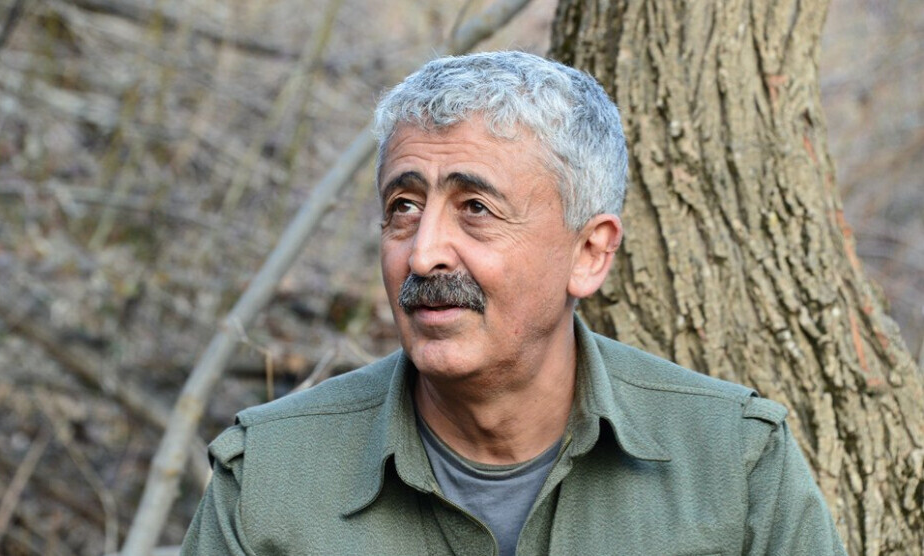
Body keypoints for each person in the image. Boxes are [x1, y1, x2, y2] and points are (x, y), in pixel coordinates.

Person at [181, 51, 846, 555]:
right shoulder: (268, 480)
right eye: (403, 207)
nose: (423, 254)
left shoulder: (736, 465)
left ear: (590, 253)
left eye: (476, 208)